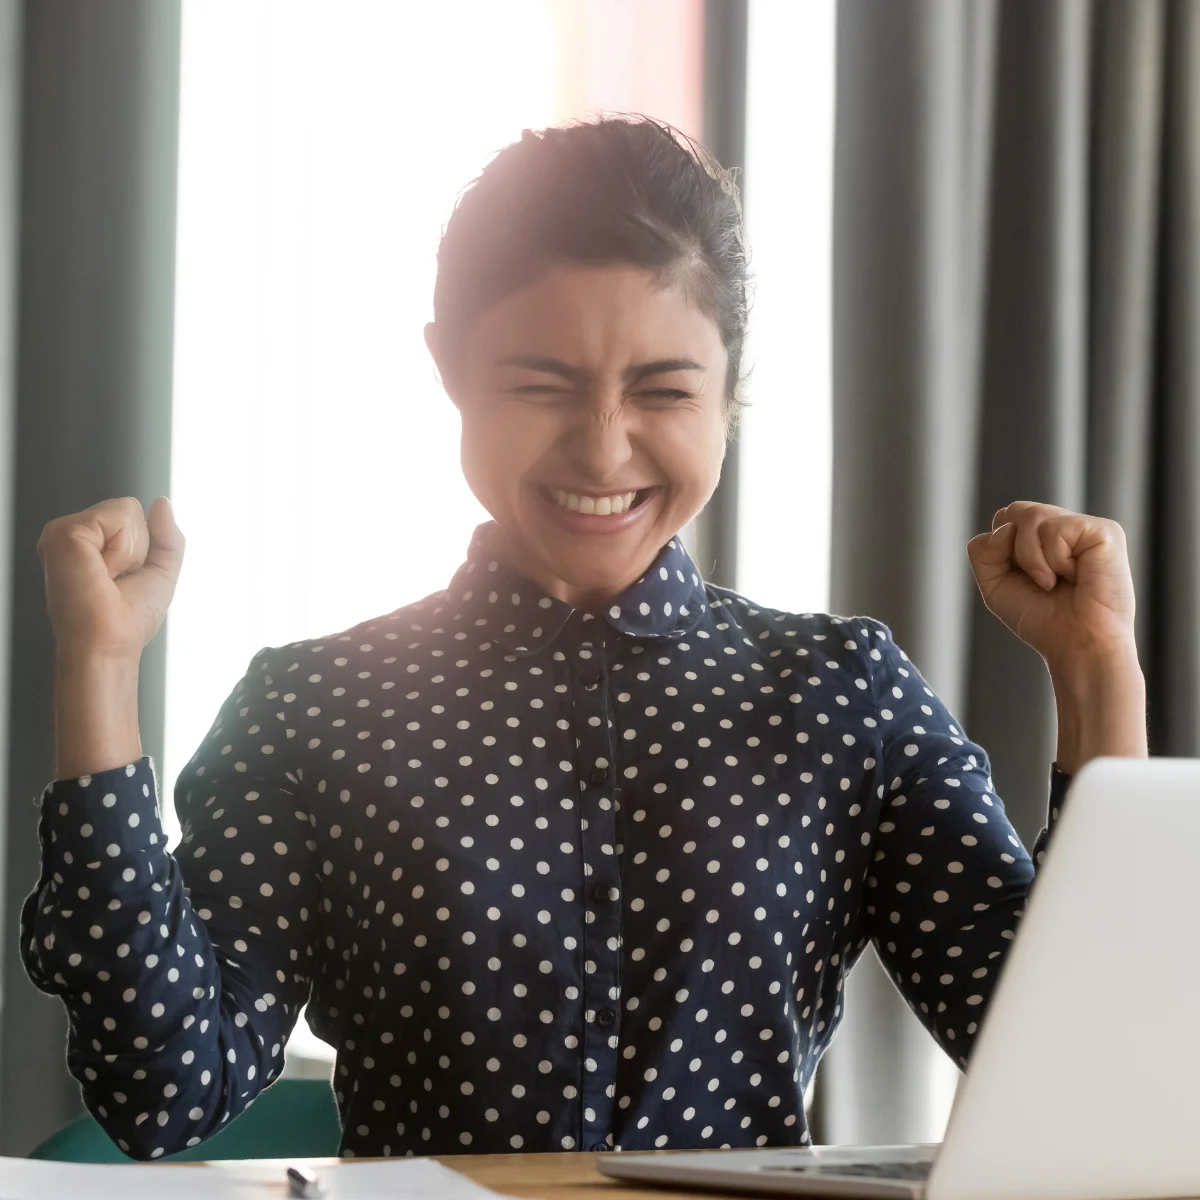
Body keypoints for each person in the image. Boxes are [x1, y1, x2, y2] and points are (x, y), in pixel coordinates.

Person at [23, 118, 1147, 1161]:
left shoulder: (838, 695)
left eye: (662, 389)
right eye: (540, 384)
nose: (604, 453)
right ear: (450, 371)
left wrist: (1096, 671)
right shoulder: (317, 708)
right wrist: (103, 668)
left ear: (729, 394)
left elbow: (1083, 1067)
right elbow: (164, 1091)